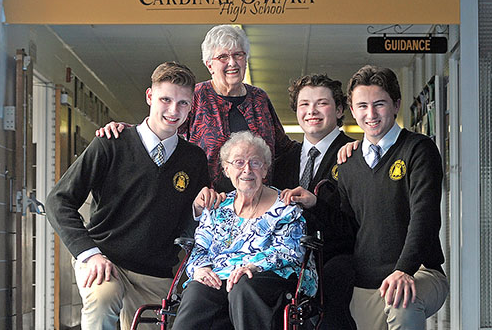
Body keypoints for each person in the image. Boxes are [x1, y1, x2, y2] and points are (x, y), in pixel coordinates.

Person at [45, 62, 210, 330]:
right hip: (106, 260)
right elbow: (58, 201)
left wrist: (199, 212)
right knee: (103, 299)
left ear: (191, 106)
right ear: (149, 96)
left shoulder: (194, 159)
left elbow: (192, 222)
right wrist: (89, 254)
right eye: (165, 99)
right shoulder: (111, 143)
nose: (173, 110)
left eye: (183, 103)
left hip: (155, 272)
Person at [282, 65, 449, 329]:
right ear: (351, 109)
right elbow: (349, 227)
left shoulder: (419, 149)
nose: (370, 114)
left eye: (379, 104)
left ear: (396, 104)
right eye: (362, 106)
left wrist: (404, 270)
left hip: (419, 271)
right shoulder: (348, 162)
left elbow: (424, 218)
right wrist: (316, 204)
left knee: (402, 304)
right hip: (365, 283)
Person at [96, 25, 296, 192]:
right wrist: (126, 130)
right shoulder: (197, 96)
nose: (232, 63)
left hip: (258, 205)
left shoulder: (259, 98)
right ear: (209, 65)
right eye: (223, 57)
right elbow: (164, 130)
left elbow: (283, 148)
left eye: (238, 55)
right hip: (207, 206)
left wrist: (322, 145)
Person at [172, 131, 317, 330]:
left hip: (270, 278)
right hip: (221, 277)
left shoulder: (285, 207)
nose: (247, 169)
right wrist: (200, 269)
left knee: (243, 286)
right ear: (226, 169)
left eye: (255, 163)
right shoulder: (217, 207)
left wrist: (253, 266)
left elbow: (290, 251)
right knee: (197, 290)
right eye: (238, 162)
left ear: (265, 169)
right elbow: (200, 248)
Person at [272, 73, 357, 329]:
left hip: (335, 258)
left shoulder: (356, 155)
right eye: (304, 105)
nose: (312, 111)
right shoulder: (282, 162)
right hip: (290, 258)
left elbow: (358, 224)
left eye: (322, 103)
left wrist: (316, 204)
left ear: (340, 109)